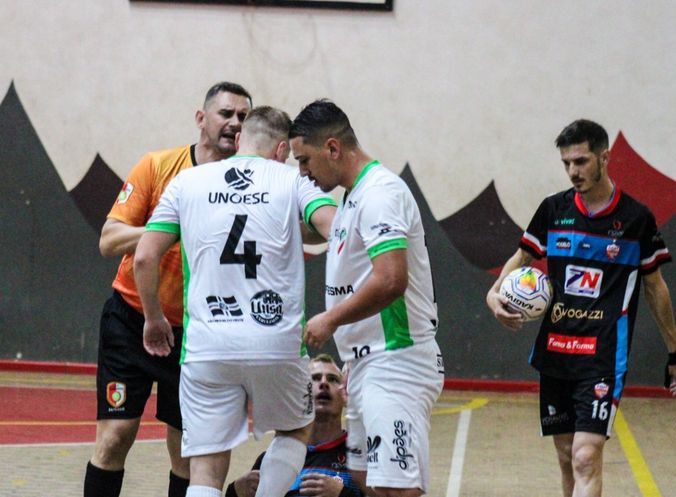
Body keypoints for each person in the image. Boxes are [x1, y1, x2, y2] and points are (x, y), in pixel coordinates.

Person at [134, 105, 337, 497]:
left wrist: (154, 317)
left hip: (207, 345)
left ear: (241, 138)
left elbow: (144, 257)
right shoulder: (293, 181)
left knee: (206, 467)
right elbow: (336, 228)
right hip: (275, 342)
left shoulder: (187, 182)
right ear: (282, 150)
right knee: (296, 429)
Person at [485, 119, 676, 497]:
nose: (573, 171)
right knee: (566, 457)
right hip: (556, 353)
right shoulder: (553, 210)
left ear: (604, 157)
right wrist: (493, 295)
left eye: (581, 161)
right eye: (566, 164)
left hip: (603, 356)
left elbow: (655, 288)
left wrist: (674, 351)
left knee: (585, 456)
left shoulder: (636, 219)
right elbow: (522, 257)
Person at [85, 82, 253, 497]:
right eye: (226, 114)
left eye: (243, 117)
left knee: (186, 453)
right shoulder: (158, 166)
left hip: (198, 333)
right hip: (132, 321)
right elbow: (109, 239)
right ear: (201, 119)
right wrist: (169, 228)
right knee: (115, 437)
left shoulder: (250, 185)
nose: (235, 123)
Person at [289, 100, 444, 497]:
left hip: (396, 362)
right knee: (363, 485)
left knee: (395, 488)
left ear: (333, 148)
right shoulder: (351, 198)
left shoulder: (380, 194)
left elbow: (391, 280)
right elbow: (320, 223)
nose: (302, 171)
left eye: (304, 160)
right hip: (363, 365)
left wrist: (330, 320)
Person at [227, 354, 363, 497]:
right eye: (315, 378)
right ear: (301, 393)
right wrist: (235, 492)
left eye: (333, 379)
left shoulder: (361, 453)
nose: (324, 383)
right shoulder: (274, 457)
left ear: (344, 395)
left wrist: (343, 494)